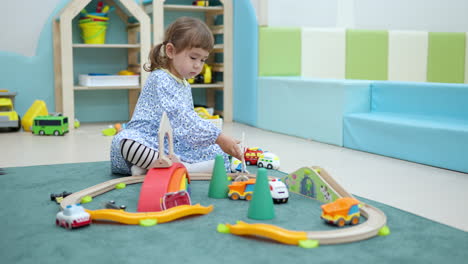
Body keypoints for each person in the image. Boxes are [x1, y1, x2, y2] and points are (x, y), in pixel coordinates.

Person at [110, 17, 242, 176]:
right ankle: (183, 168)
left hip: (172, 141)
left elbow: (188, 121)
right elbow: (181, 117)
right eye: (193, 57)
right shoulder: (160, 78)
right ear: (171, 51)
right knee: (127, 143)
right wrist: (218, 136)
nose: (198, 65)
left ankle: (155, 167)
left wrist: (216, 139)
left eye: (203, 60)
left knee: (217, 152)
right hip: (147, 137)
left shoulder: (184, 83)